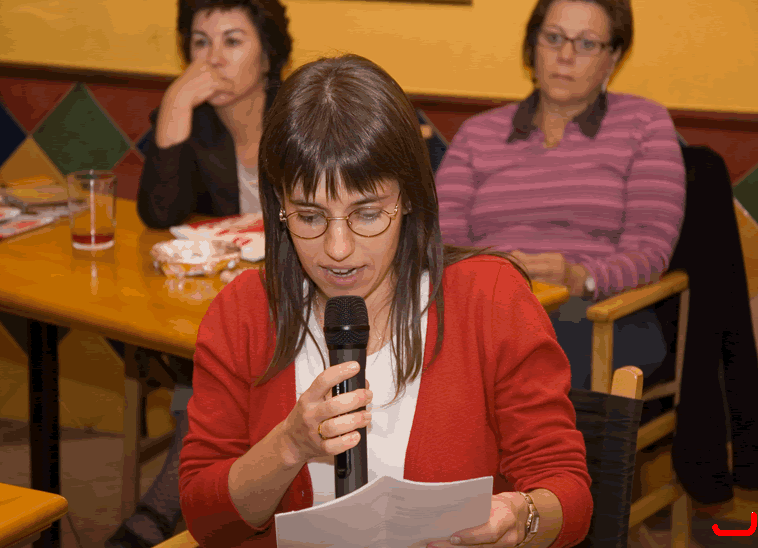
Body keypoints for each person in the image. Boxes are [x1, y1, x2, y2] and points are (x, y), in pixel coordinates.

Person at [179, 54, 593, 548]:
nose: (338, 249)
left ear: (410, 197)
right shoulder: (244, 311)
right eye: (309, 217)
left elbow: (568, 494)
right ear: (279, 207)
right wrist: (287, 447)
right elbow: (207, 522)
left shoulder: (489, 299)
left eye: (368, 214)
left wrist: (521, 515)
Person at [106, 2, 291, 547]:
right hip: (217, 308)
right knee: (214, 365)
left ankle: (152, 520)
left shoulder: (300, 113)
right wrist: (174, 104)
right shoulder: (196, 121)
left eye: (232, 41)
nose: (212, 60)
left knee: (217, 372)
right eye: (200, 42)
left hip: (298, 298)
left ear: (268, 55)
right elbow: (159, 214)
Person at [435, 0, 686, 390]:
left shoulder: (644, 125)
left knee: (526, 353)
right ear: (532, 44)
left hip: (599, 313)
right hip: (487, 304)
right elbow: (441, 240)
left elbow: (649, 251)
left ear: (613, 56)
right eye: (553, 38)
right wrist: (491, 276)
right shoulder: (477, 134)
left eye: (586, 43)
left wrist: (580, 278)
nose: (565, 56)